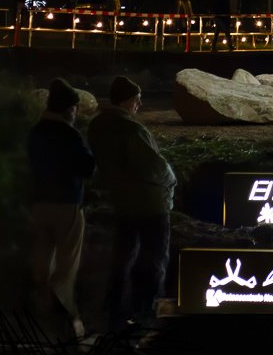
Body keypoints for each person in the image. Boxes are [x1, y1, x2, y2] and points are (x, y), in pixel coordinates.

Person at [88, 77, 176, 329]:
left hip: (122, 201)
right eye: (137, 99)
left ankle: (114, 307)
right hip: (149, 202)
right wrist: (171, 179)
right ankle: (144, 308)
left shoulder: (98, 126)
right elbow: (152, 166)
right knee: (154, 256)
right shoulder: (131, 129)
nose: (140, 103)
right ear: (126, 100)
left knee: (123, 255)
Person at [27, 78, 96, 339]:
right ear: (69, 109)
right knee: (67, 266)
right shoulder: (69, 135)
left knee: (42, 262)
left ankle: (40, 316)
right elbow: (87, 167)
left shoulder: (36, 131)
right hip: (66, 204)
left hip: (39, 203)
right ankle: (68, 321)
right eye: (75, 109)